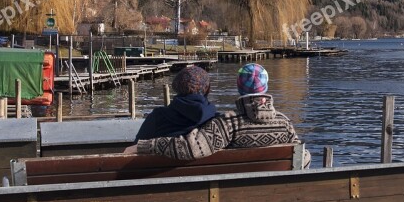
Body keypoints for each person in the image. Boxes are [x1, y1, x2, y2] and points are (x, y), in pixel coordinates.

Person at [127, 63, 310, 167]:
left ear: (239, 87)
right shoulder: (285, 123)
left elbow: (192, 148)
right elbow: (303, 158)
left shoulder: (228, 124)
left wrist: (144, 146)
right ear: (266, 88)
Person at [133, 65, 216, 142]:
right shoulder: (217, 121)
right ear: (207, 89)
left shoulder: (157, 118)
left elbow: (136, 148)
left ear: (177, 87)